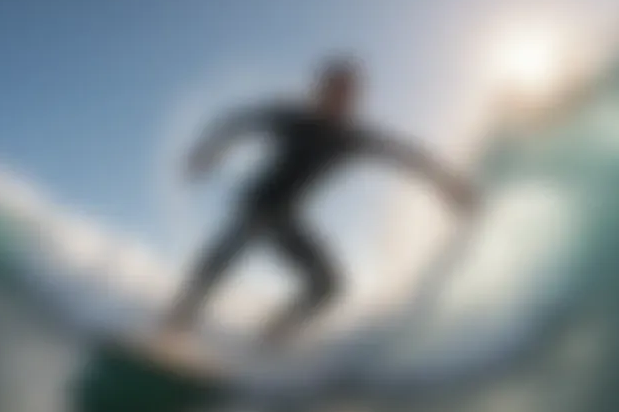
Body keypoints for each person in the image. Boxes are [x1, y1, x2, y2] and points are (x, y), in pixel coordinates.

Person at [163, 56, 477, 345]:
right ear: (319, 90)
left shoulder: (351, 138)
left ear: (353, 100)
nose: (337, 100)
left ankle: (271, 335)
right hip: (258, 202)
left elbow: (405, 154)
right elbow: (240, 121)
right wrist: (208, 150)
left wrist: (447, 183)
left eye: (346, 94)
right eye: (331, 90)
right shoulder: (293, 118)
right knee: (233, 245)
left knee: (328, 284)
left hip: (287, 218)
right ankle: (176, 320)